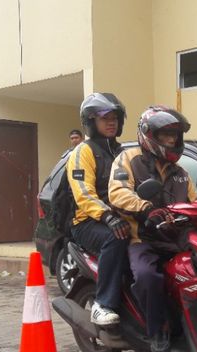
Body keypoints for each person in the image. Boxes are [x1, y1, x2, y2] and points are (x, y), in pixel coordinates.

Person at [108, 106, 197, 352]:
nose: (171, 140)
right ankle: (157, 329)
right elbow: (117, 192)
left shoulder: (181, 173)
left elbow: (194, 203)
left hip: (176, 239)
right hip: (142, 239)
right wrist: (145, 208)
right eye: (165, 135)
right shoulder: (128, 159)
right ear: (149, 135)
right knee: (147, 276)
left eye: (175, 136)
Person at [67, 93, 130, 326]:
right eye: (104, 118)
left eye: (114, 118)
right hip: (87, 222)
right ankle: (102, 305)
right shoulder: (83, 152)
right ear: (91, 122)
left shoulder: (122, 152)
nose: (111, 122)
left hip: (119, 217)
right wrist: (107, 216)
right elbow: (83, 194)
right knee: (115, 239)